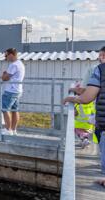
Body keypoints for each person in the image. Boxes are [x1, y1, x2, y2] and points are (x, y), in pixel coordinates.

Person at [62, 46, 105, 187]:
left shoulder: (100, 70)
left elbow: (87, 96)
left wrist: (70, 99)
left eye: (100, 56)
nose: (99, 58)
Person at [1, 48, 26, 135]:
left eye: (6, 55)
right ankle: (13, 129)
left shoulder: (13, 65)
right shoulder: (20, 64)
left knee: (4, 109)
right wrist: (6, 74)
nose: (6, 57)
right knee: (15, 110)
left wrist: (4, 74)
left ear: (11, 54)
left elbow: (5, 78)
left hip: (10, 91)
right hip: (18, 90)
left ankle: (8, 130)